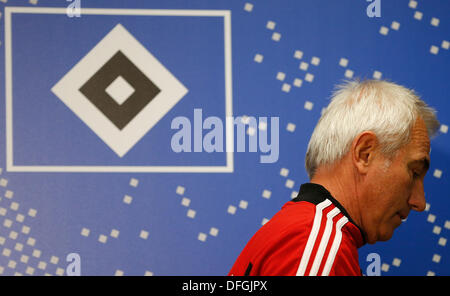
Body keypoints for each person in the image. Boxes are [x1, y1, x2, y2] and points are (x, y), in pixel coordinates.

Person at [228, 79, 440, 276]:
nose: (419, 202)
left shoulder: (304, 233)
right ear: (365, 153)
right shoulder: (315, 246)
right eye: (414, 173)